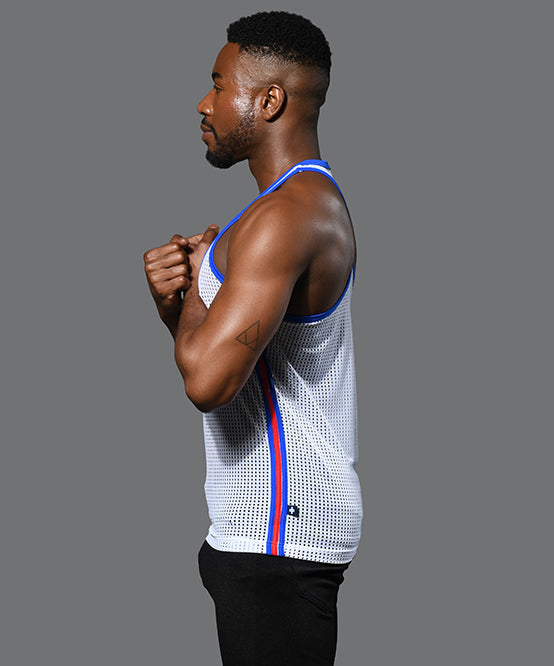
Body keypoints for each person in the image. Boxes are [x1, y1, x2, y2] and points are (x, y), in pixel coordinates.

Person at [143, 11, 362, 665]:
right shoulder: (284, 207)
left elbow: (208, 382)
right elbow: (241, 362)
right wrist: (179, 307)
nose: (203, 103)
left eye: (218, 84)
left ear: (269, 101)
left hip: (281, 538)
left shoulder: (285, 218)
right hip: (266, 537)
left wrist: (190, 301)